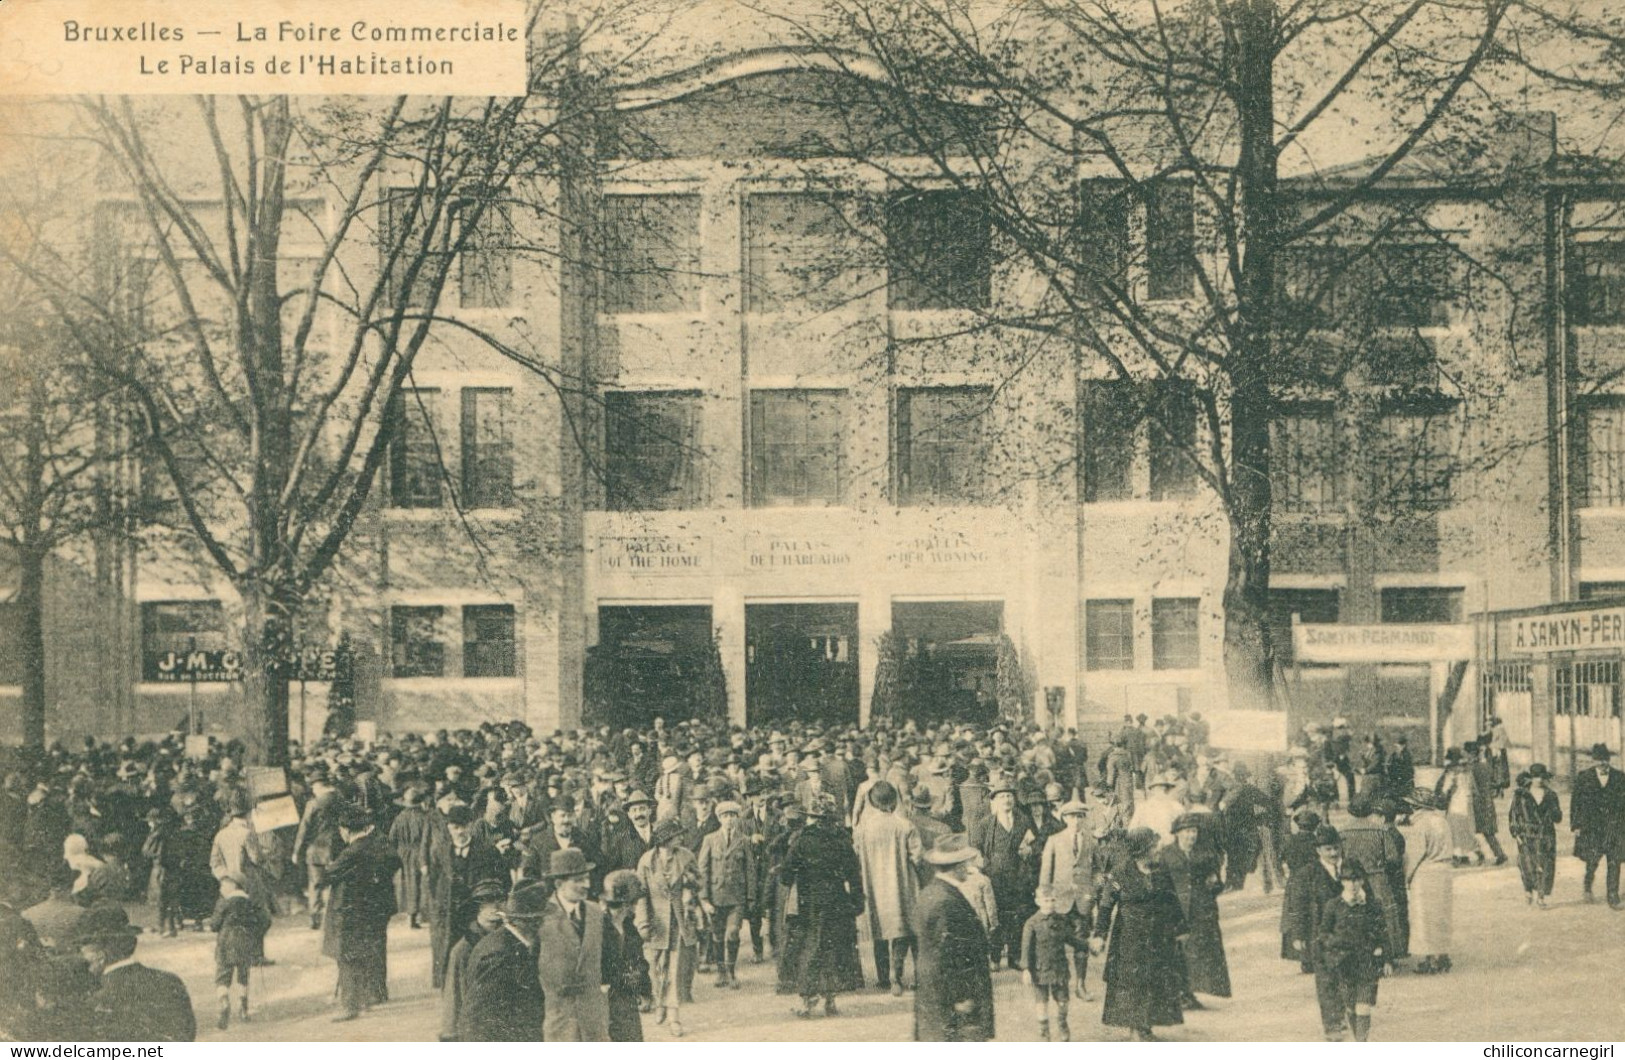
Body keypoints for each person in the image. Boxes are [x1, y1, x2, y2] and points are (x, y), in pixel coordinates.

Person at [1090, 826, 1187, 1041]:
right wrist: (1099, 935)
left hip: (1157, 936)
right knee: (1133, 982)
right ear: (1141, 850)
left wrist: (1181, 929)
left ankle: (1146, 1026)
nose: (1158, 849)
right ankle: (1135, 1029)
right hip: (1128, 938)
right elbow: (1106, 906)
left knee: (1154, 979)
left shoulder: (1161, 870)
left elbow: (1172, 899)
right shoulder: (1120, 873)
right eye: (1154, 846)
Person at [781, 793, 865, 1019]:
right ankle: (831, 999)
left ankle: (808, 1000)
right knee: (835, 948)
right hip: (838, 901)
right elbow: (854, 875)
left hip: (810, 903)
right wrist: (858, 901)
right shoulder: (842, 840)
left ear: (812, 817)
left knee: (811, 947)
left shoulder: (802, 840)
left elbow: (786, 875)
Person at [913, 833, 995, 1041]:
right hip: (953, 998)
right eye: (965, 862)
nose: (969, 867)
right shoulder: (946, 901)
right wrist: (960, 996)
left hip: (937, 994)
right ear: (957, 866)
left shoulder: (930, 893)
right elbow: (945, 954)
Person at [73, 904, 196, 1041]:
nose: (81, 958)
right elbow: (186, 1035)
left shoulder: (96, 998)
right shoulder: (171, 981)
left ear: (100, 956)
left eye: (83, 952)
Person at [322, 805, 400, 1021]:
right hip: (365, 908)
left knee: (346, 956)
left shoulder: (352, 852)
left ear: (345, 830)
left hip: (347, 910)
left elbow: (325, 876)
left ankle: (349, 1005)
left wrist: (328, 867)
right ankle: (363, 999)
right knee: (361, 954)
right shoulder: (373, 846)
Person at [537, 848, 616, 1041]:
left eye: (587, 878)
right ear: (559, 883)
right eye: (578, 880)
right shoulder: (540, 918)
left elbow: (607, 957)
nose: (586, 885)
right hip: (559, 1020)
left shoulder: (596, 913)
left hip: (593, 1020)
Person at [426, 804, 506, 988]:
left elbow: (503, 881)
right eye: (455, 827)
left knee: (477, 952)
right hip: (449, 914)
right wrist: (440, 903)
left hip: (475, 913)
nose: (460, 832)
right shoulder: (439, 851)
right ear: (448, 828)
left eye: (464, 826)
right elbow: (432, 881)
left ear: (471, 826)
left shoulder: (487, 850)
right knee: (449, 956)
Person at [852, 781, 921, 994]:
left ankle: (883, 977)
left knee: (879, 931)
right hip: (902, 885)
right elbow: (917, 857)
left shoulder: (862, 830)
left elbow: (856, 856)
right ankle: (903, 976)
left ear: (872, 802)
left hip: (874, 888)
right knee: (906, 929)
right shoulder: (905, 825)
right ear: (893, 801)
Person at [636, 816, 700, 1037]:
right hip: (656, 922)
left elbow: (698, 882)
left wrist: (692, 882)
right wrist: (643, 922)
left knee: (673, 968)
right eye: (677, 835)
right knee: (655, 968)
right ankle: (659, 1002)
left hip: (679, 922)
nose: (681, 837)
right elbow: (641, 894)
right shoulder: (646, 861)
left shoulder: (686, 856)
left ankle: (673, 1016)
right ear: (665, 839)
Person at [461, 880, 547, 1042]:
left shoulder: (509, 942)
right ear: (533, 923)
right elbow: (480, 1018)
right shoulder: (501, 955)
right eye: (544, 920)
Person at [1158, 813, 1230, 1007]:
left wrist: (1214, 884)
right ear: (1178, 833)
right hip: (1175, 909)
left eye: (1194, 831)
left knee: (1198, 951)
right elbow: (1159, 882)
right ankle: (1177, 993)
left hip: (1201, 909)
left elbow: (1216, 885)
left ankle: (1189, 993)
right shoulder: (1166, 854)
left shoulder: (1205, 855)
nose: (1192, 836)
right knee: (1176, 950)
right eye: (1188, 832)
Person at [967, 780, 1034, 971]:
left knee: (1016, 916)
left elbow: (1032, 842)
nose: (1006, 799)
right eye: (1002, 796)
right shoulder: (986, 824)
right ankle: (995, 957)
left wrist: (1028, 850)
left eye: (1009, 796)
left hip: (1018, 876)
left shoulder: (1023, 820)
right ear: (994, 801)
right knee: (995, 916)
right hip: (994, 877)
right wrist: (983, 867)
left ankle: (1014, 957)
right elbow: (975, 849)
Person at [1315, 863, 1384, 1041]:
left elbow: (1382, 931)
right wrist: (1334, 946)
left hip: (1366, 962)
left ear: (1362, 881)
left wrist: (1386, 958)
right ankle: (1358, 1038)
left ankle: (1362, 1042)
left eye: (1357, 880)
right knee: (1351, 1006)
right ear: (1342, 882)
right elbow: (1323, 933)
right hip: (1343, 963)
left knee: (1364, 1006)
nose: (1353, 885)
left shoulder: (1372, 904)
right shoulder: (1333, 905)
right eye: (1348, 880)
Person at [1337, 796, 1407, 968]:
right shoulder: (1380, 830)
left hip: (1352, 879)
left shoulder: (1342, 831)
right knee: (1384, 915)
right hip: (1377, 878)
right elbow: (1392, 858)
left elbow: (1338, 858)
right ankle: (1387, 955)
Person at [1038, 795, 1097, 999]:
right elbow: (1046, 872)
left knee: (1082, 942)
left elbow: (1098, 870)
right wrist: (1045, 897)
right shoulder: (1054, 840)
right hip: (1059, 899)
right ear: (1064, 818)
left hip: (1083, 899)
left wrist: (1093, 893)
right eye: (1072, 817)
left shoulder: (1092, 840)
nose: (1076, 821)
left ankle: (1080, 985)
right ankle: (1059, 982)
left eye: (1080, 816)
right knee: (1056, 942)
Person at [697, 798, 756, 989]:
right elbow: (702, 871)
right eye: (725, 816)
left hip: (736, 898)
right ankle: (721, 972)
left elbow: (750, 871)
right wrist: (704, 899)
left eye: (732, 816)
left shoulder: (744, 841)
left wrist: (751, 897)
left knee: (732, 934)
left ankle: (731, 972)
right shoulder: (709, 839)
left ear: (737, 818)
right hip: (715, 897)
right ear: (719, 818)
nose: (729, 820)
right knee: (717, 935)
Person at [438, 878, 507, 1041]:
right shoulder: (464, 949)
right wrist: (450, 1034)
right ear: (477, 907)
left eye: (499, 900)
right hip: (477, 1026)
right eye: (487, 902)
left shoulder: (510, 940)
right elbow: (453, 997)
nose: (495, 907)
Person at [1022, 884, 1085, 1041]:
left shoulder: (1061, 920)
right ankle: (1044, 1032)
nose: (1049, 904)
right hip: (1040, 969)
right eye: (1046, 900)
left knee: (1063, 1001)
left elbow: (1071, 939)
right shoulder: (1032, 923)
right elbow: (1026, 948)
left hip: (1059, 968)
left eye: (1052, 900)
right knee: (1041, 1002)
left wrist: (1088, 945)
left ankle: (1063, 1025)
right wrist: (1025, 969)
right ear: (1038, 901)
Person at [1403, 790, 1455, 974]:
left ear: (1416, 806)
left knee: (1425, 917)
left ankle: (1431, 959)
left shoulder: (1420, 825)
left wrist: (1406, 877)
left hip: (1426, 873)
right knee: (1441, 915)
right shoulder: (1442, 821)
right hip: (1445, 870)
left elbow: (1414, 855)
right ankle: (1442, 955)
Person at [208, 875, 270, 1029]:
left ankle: (224, 1003)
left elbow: (214, 925)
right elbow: (265, 920)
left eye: (223, 885)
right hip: (245, 942)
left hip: (226, 942)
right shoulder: (250, 903)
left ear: (232, 886)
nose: (221, 889)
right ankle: (243, 1009)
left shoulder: (223, 903)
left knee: (222, 976)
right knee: (243, 974)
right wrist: (256, 934)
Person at [1569, 743, 1625, 908]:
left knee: (1614, 860)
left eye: (1605, 759)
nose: (1603, 763)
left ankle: (1613, 896)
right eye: (1599, 760)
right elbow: (1576, 803)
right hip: (1592, 827)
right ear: (1594, 761)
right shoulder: (1583, 777)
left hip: (1614, 827)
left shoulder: (1620, 777)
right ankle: (1588, 884)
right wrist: (1576, 825)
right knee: (1593, 860)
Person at [1283, 825, 1343, 975]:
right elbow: (1298, 907)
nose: (1333, 853)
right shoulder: (1307, 874)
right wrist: (1298, 936)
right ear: (1318, 851)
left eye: (1336, 848)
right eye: (1328, 849)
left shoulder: (1352, 867)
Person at [603, 869, 653, 1042]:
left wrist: (645, 989)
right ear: (627, 903)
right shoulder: (598, 928)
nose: (635, 907)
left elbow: (639, 961)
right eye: (634, 902)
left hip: (626, 1000)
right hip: (604, 1001)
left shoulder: (629, 928)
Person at [1509, 763, 1562, 908]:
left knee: (1543, 865)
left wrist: (1554, 811)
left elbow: (1558, 818)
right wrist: (1516, 833)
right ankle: (1527, 890)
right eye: (1535, 777)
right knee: (1527, 865)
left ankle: (1541, 897)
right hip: (1526, 835)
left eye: (1541, 777)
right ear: (1531, 778)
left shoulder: (1551, 795)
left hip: (1546, 835)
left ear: (1545, 778)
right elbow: (1514, 814)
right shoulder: (1521, 794)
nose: (1538, 780)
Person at [387, 784, 433, 930]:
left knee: (408, 883)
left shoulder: (400, 817)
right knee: (420, 883)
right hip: (420, 852)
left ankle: (410, 914)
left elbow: (392, 838)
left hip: (403, 853)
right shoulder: (425, 817)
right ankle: (415, 915)